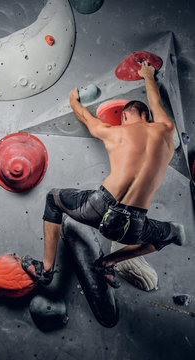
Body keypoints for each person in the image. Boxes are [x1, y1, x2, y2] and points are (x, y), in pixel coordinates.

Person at [21, 62, 185, 287]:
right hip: (133, 227)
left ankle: (46, 269)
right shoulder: (166, 129)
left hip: (97, 207)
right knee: (168, 234)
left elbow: (86, 119)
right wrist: (148, 76)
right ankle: (106, 264)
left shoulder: (115, 132)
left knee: (53, 198)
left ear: (124, 116)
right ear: (147, 116)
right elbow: (155, 102)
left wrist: (73, 100)